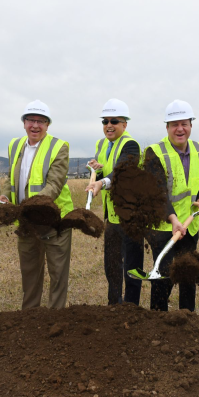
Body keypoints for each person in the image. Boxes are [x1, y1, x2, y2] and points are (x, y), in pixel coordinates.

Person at [0, 100, 74, 309]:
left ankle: (55, 320)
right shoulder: (15, 145)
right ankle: (30, 318)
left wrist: (27, 207)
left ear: (48, 125)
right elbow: (11, 179)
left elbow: (54, 185)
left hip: (55, 221)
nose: (35, 125)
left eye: (41, 121)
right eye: (31, 120)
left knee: (57, 274)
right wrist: (5, 197)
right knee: (29, 274)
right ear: (23, 123)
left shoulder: (59, 147)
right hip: (26, 223)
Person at [143, 100, 199, 312]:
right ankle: (158, 320)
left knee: (188, 276)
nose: (180, 129)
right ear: (167, 127)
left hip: (190, 227)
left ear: (191, 125)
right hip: (164, 228)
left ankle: (187, 320)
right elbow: (157, 194)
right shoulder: (154, 153)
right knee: (164, 277)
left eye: (184, 123)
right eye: (174, 124)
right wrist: (173, 219)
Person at [85, 99, 144, 305]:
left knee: (132, 267)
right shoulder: (101, 144)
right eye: (105, 121)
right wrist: (96, 169)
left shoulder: (131, 144)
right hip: (111, 216)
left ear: (124, 124)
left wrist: (102, 181)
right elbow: (106, 170)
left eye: (114, 121)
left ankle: (131, 307)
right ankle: (114, 305)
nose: (108, 125)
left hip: (130, 217)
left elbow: (123, 171)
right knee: (111, 264)